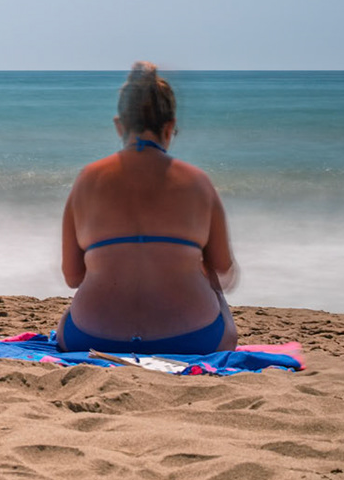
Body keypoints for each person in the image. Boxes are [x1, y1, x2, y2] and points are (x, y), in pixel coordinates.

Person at [58, 62, 239, 354]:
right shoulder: (199, 183)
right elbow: (224, 268)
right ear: (169, 128)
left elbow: (72, 276)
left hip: (92, 338)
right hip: (194, 339)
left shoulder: (86, 180)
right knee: (215, 287)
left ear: (120, 125)